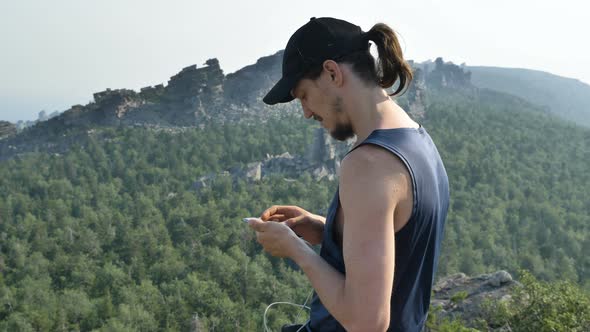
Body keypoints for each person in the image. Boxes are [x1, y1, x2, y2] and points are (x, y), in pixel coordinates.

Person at [247, 17, 449, 332]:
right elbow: (403, 241)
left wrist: (295, 248)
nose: (306, 112)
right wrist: (329, 230)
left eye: (303, 96)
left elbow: (368, 323)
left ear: (332, 72)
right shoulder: (417, 139)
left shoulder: (368, 164)